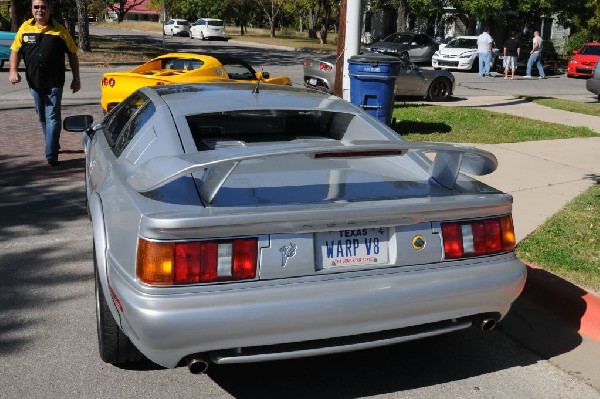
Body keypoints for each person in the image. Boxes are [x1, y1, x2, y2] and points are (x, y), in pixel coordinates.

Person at [8, 0, 81, 166]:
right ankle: (53, 142)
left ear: (49, 9)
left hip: (54, 82)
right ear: (32, 9)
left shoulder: (60, 30)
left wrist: (76, 78)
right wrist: (13, 70)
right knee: (42, 116)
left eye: (43, 7)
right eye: (36, 7)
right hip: (34, 83)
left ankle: (51, 154)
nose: (39, 10)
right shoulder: (25, 28)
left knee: (53, 117)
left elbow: (72, 54)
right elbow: (15, 50)